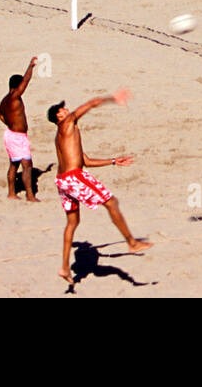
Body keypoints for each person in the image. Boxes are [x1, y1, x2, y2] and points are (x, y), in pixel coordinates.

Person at [49, 89, 152, 284]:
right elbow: (92, 103)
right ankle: (132, 242)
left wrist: (113, 161)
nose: (66, 109)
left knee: (72, 223)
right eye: (62, 109)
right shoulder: (67, 122)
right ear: (58, 116)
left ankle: (64, 268)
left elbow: (85, 160)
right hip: (73, 177)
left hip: (62, 181)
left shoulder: (63, 135)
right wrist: (112, 99)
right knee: (111, 202)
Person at [0, 57, 40, 201]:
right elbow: (26, 81)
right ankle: (29, 195)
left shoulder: (5, 99)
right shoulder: (15, 97)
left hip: (11, 134)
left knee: (14, 165)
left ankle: (11, 193)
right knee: (27, 166)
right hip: (17, 137)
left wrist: (10, 123)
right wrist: (31, 66)